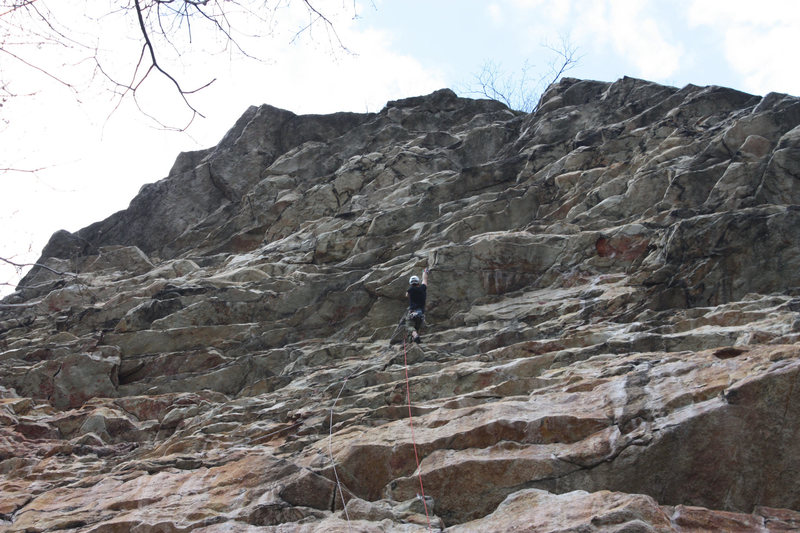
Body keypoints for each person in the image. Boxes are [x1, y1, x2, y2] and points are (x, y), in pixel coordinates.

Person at [405, 268, 429, 343]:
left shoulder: (410, 289)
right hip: (421, 313)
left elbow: (406, 295)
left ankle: (415, 336)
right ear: (418, 282)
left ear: (410, 283)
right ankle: (414, 340)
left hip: (413, 312)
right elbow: (424, 280)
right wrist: (425, 272)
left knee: (409, 326)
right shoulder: (423, 288)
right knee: (416, 328)